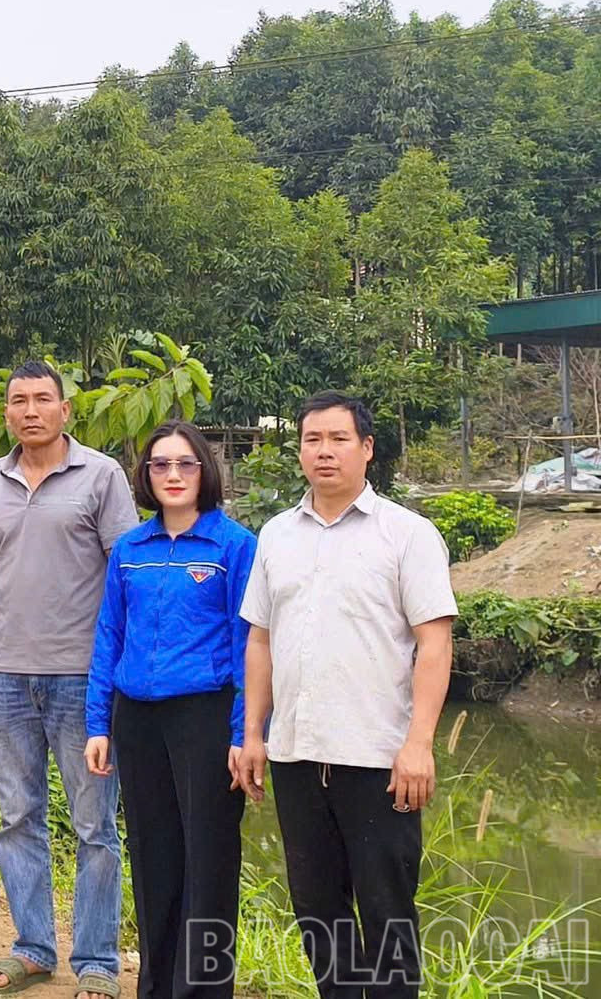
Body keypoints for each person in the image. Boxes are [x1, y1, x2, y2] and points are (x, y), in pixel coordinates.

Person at [235, 392, 456, 999]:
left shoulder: (407, 534)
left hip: (379, 760)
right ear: (300, 450)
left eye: (338, 439)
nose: (324, 451)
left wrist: (420, 744)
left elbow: (435, 644)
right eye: (313, 439)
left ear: (367, 448)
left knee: (388, 914)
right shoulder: (277, 535)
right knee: (318, 911)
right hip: (297, 755)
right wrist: (253, 734)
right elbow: (261, 640)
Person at [0, 361, 137, 999]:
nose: (31, 410)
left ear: (65, 410)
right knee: (18, 816)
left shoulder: (101, 475)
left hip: (82, 676)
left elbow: (122, 574)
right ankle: (33, 948)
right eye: (19, 401)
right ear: (7, 413)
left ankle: (97, 960)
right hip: (7, 675)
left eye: (43, 399)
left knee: (94, 824)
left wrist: (114, 668)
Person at [84, 421, 257, 999]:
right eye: (161, 464)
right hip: (137, 720)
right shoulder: (131, 548)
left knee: (209, 863)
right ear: (146, 474)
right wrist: (98, 723)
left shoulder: (234, 545)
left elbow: (248, 645)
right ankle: (156, 987)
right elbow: (109, 635)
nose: (174, 475)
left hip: (204, 719)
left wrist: (245, 732)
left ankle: (204, 990)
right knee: (153, 859)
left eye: (186, 464)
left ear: (205, 471)